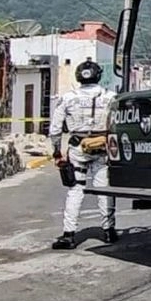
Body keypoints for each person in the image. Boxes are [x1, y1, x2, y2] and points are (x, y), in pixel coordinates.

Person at [49, 59, 117, 249]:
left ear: (78, 76)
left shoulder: (68, 98)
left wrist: (57, 152)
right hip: (102, 145)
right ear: (99, 76)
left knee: (75, 189)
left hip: (77, 146)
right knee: (104, 189)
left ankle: (69, 234)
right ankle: (109, 231)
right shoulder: (111, 97)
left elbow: (55, 129)